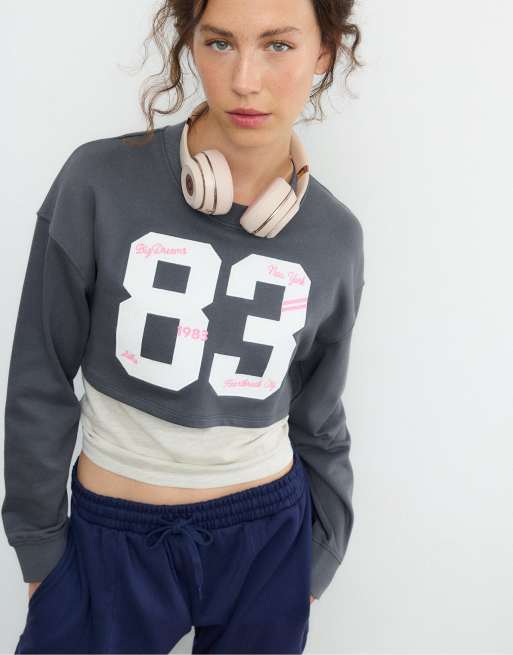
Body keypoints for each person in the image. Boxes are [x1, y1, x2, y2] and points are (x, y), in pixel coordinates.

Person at [2, 0, 365, 652]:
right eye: (220, 43)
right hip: (110, 538)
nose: (245, 80)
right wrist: (41, 547)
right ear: (189, 43)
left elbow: (320, 413)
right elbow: (41, 375)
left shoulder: (335, 237)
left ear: (324, 52)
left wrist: (320, 554)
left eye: (278, 45)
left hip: (268, 541)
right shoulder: (97, 182)